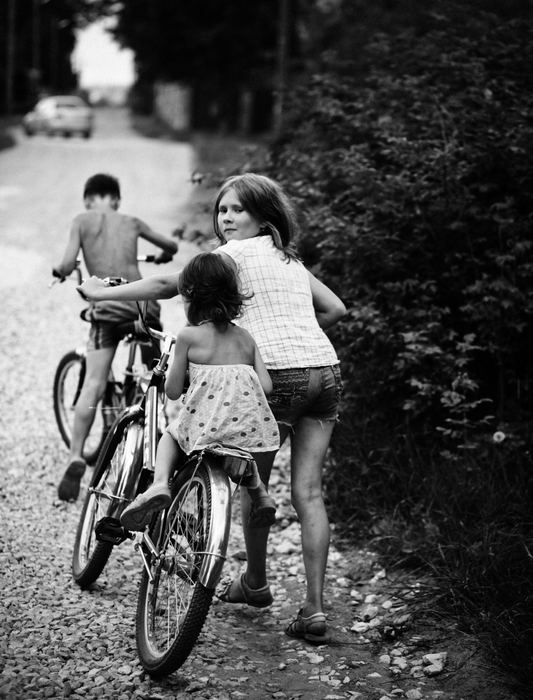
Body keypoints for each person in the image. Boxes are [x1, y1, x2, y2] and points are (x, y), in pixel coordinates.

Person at [79, 172, 346, 643]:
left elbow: (168, 283)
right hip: (324, 372)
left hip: (277, 378)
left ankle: (256, 582)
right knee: (309, 493)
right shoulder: (289, 260)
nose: (226, 218)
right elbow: (336, 309)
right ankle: (314, 609)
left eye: (238, 209)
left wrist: (101, 293)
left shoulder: (230, 256)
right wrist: (297, 329)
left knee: (250, 480)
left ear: (264, 217)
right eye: (222, 209)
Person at [119, 251, 279, 533]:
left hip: (205, 430)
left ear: (192, 298)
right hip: (246, 430)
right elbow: (266, 387)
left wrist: (194, 379)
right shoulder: (246, 338)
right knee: (239, 451)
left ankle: (159, 484)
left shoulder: (188, 336)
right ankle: (260, 494)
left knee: (171, 434)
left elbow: (171, 391)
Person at [53, 173, 178, 503]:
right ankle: (153, 440)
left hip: (107, 308)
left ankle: (76, 455)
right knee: (153, 380)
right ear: (117, 200)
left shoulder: (82, 221)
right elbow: (171, 246)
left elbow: (66, 263)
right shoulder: (131, 221)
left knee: (94, 382)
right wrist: (162, 257)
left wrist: (60, 271)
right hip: (142, 306)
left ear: (88, 199)